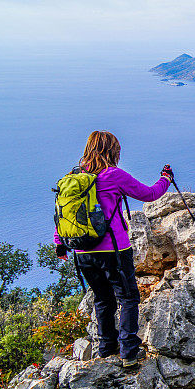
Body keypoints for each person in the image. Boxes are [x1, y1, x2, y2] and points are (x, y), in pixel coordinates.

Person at [53, 130, 173, 368]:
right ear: (113, 151)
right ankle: (128, 352)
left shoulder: (72, 178)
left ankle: (106, 348)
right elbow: (149, 194)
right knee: (128, 298)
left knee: (102, 299)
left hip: (82, 252)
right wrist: (165, 179)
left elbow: (61, 214)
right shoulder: (113, 175)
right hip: (114, 250)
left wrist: (60, 244)